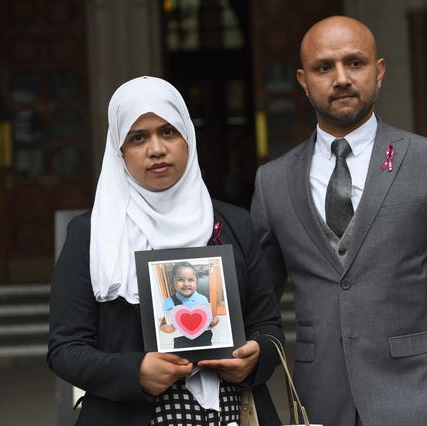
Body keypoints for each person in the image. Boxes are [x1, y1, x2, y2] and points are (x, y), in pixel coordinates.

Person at [250, 15, 427, 426]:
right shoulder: (273, 180)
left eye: (355, 62)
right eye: (324, 67)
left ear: (379, 71)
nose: (341, 78)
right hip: (318, 405)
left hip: (421, 401)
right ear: (302, 79)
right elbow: (259, 302)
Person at [48, 76, 284, 426]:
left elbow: (268, 325)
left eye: (168, 132)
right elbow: (65, 350)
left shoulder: (233, 224)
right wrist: (135, 371)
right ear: (119, 150)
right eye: (138, 137)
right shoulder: (92, 234)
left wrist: (256, 356)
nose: (156, 149)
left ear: (187, 137)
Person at [159, 261, 220, 349]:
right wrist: (163, 328)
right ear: (173, 282)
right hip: (182, 341)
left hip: (204, 338)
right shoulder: (168, 302)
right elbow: (164, 321)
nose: (186, 284)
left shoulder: (203, 299)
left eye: (191, 280)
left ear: (197, 282)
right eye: (180, 280)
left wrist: (215, 320)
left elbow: (210, 316)